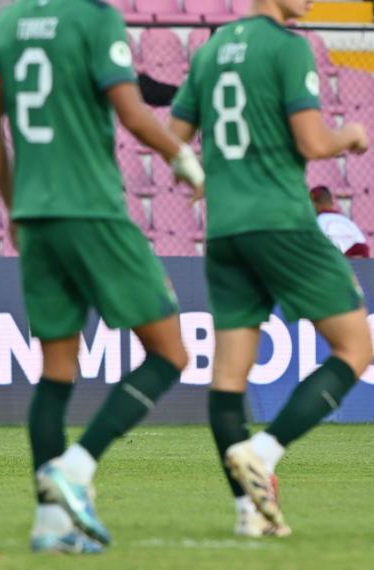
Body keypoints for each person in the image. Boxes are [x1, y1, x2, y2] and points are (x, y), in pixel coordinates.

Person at [0, 0, 204, 554]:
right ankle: (77, 467)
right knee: (171, 352)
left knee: (56, 370)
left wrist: (13, 206)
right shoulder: (96, 17)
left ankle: (51, 527)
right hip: (93, 211)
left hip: (36, 216)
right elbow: (131, 110)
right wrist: (182, 156)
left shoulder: (5, 24)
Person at [169, 0, 371, 539]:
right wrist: (349, 135)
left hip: (226, 230)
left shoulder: (210, 51)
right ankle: (264, 450)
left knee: (228, 377)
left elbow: (174, 135)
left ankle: (248, 512)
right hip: (282, 222)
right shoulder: (287, 46)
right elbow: (311, 141)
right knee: (356, 347)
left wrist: (197, 177)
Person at [310, 185, 370, 258]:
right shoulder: (348, 222)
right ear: (332, 202)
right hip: (362, 263)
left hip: (334, 262)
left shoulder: (317, 222)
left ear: (312, 203)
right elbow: (363, 248)